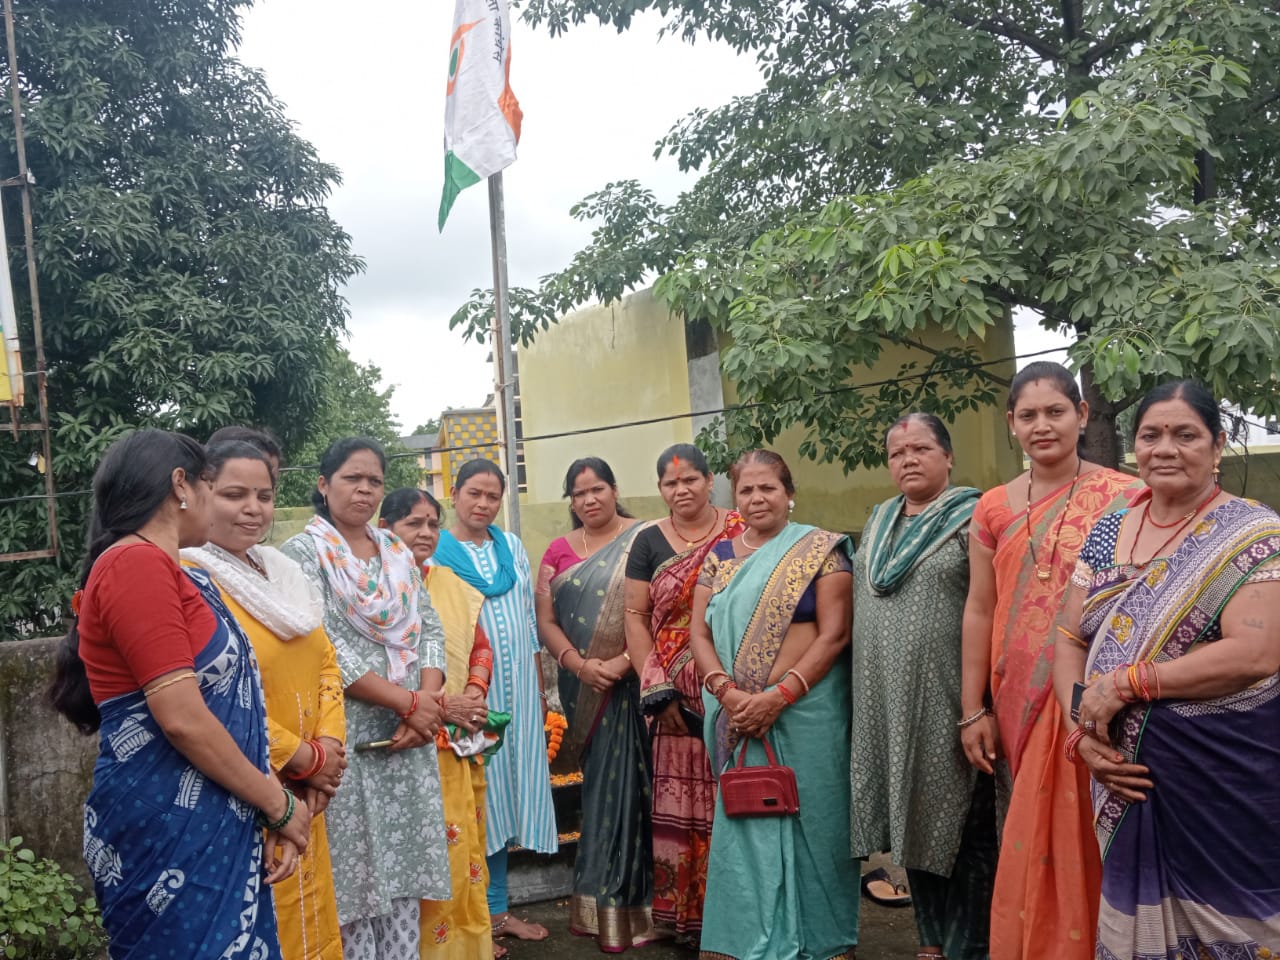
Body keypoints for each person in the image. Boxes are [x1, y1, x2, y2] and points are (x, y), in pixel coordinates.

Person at [48, 429, 310, 960]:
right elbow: (183, 718)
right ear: (180, 486)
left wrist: (265, 805)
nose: (217, 501)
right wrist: (277, 804)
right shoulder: (135, 565)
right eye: (212, 485)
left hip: (214, 816)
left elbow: (224, 712)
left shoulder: (176, 572)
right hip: (170, 825)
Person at [1053, 380, 1280, 960]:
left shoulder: (1252, 533)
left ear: (1217, 444)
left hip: (1223, 780)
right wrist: (1082, 733)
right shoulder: (1107, 532)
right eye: (1151, 435)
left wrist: (1126, 683)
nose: (1165, 448)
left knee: (1243, 925)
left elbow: (1256, 653)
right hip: (1126, 782)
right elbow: (1068, 638)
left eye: (1186, 435)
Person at [960, 361, 1141, 960]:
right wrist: (972, 708)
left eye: (1056, 412)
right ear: (1011, 423)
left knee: (1095, 823)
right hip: (1017, 695)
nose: (1042, 425)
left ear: (1082, 415)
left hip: (1098, 691)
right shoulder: (992, 507)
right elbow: (980, 608)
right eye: (1029, 415)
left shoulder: (1126, 497)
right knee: (1031, 829)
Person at [281, 438, 450, 960]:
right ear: (323, 483)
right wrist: (407, 704)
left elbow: (430, 627)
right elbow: (325, 643)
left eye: (374, 480)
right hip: (345, 733)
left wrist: (425, 704)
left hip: (408, 739)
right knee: (353, 875)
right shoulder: (300, 554)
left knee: (403, 872)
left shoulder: (396, 551)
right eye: (352, 478)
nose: (364, 490)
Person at [690, 449, 859, 960]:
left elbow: (834, 635)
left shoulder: (822, 550)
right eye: (746, 489)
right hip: (738, 715)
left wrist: (779, 696)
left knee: (818, 823)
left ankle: (824, 943)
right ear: (735, 498)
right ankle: (744, 942)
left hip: (809, 713)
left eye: (768, 488)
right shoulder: (719, 559)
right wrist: (728, 693)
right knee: (749, 820)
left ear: (789, 494)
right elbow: (699, 634)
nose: (757, 498)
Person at [182, 440, 347, 960]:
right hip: (250, 788)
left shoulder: (282, 574)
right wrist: (299, 758)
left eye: (264, 495)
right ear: (199, 493)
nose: (253, 508)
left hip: (309, 789)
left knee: (313, 922)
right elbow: (209, 696)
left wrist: (328, 751)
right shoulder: (189, 580)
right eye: (234, 495)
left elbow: (326, 662)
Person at [849, 414, 996, 960]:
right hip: (885, 705)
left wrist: (979, 704)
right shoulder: (879, 520)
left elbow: (991, 607)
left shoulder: (974, 517)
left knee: (962, 827)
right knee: (911, 819)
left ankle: (969, 946)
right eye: (897, 452)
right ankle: (929, 941)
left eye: (921, 449)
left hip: (951, 700)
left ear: (948, 457)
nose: (908, 460)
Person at [430, 459, 557, 945]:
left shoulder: (512, 547)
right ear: (455, 494)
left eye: (492, 496)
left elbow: (528, 619)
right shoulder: (436, 550)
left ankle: (498, 914)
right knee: (477, 798)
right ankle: (472, 921)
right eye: (474, 494)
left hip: (519, 692)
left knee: (508, 795)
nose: (483, 504)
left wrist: (539, 690)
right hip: (469, 694)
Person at [623, 442, 745, 945]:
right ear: (660, 489)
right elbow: (636, 617)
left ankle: (734, 916)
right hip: (672, 692)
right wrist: (658, 688)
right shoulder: (648, 541)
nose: (682, 489)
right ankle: (683, 920)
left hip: (732, 685)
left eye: (690, 479)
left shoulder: (740, 529)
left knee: (733, 796)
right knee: (679, 803)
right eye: (671, 482)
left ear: (710, 480)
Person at [535, 457, 654, 952]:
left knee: (643, 792)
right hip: (583, 688)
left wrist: (625, 663)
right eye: (579, 493)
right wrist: (580, 666)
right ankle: (602, 906)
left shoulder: (646, 538)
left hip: (638, 684)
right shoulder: (557, 552)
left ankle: (651, 907)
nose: (588, 500)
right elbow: (545, 620)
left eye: (597, 489)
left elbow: (659, 609)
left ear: (614, 489)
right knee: (602, 791)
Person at [379, 487, 497, 960]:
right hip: (404, 740)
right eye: (413, 523)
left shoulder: (448, 583)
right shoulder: (371, 590)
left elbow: (480, 646)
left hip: (456, 743)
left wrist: (475, 693)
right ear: (385, 529)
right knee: (424, 857)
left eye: (432, 523)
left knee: (464, 853)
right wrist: (441, 706)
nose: (425, 532)